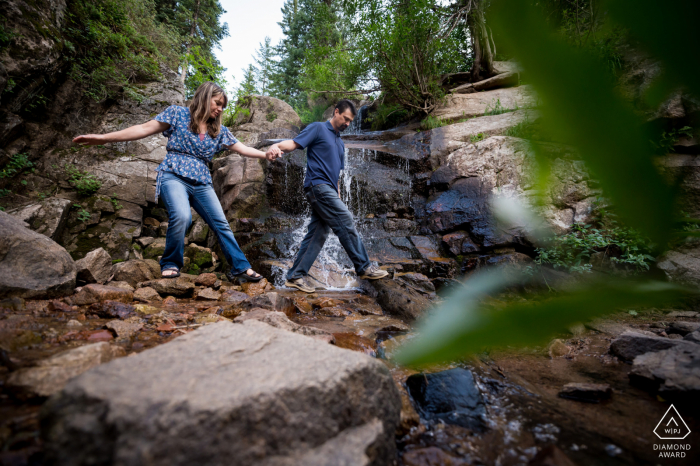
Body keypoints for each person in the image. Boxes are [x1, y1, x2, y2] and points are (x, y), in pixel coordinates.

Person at [73, 81, 273, 283]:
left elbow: (243, 148)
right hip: (174, 175)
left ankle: (240, 267)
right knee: (183, 216)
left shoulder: (219, 130)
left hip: (202, 182)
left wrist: (266, 155)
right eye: (217, 103)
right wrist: (104, 138)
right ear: (205, 98)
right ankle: (170, 263)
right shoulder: (177, 114)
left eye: (223, 106)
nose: (220, 109)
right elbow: (143, 129)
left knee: (221, 224)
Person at [266, 100, 389, 293]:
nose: (347, 123)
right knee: (346, 220)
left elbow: (337, 176)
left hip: (330, 190)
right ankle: (364, 268)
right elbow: (293, 143)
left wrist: (338, 196)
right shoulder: (317, 129)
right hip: (318, 186)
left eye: (350, 121)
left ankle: (295, 276)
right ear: (336, 111)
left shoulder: (340, 144)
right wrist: (276, 146)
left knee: (319, 232)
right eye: (345, 118)